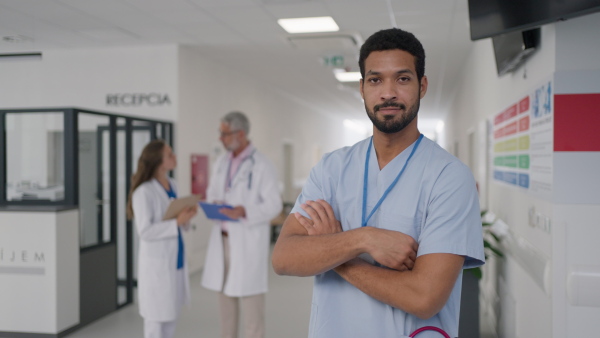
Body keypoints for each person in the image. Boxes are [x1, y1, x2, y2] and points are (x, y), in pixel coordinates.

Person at [272, 28, 485, 338]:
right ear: (361, 88)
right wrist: (364, 239)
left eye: (402, 79)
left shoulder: (449, 177)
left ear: (422, 85)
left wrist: (336, 253)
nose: (388, 93)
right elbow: (284, 257)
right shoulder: (332, 168)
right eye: (375, 80)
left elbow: (424, 297)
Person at [201, 111, 282, 338]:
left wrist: (245, 210)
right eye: (221, 133)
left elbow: (274, 205)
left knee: (251, 311)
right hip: (223, 241)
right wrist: (214, 203)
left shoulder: (262, 165)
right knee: (226, 308)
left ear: (241, 134)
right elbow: (213, 191)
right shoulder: (222, 162)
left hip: (247, 242)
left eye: (224, 134)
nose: (221, 138)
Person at [127, 139, 197, 338]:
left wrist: (186, 217)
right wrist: (176, 223)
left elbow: (176, 219)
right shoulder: (143, 192)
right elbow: (145, 231)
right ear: (159, 161)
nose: (175, 157)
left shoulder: (173, 184)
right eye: (170, 155)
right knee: (155, 324)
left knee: (171, 319)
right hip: (157, 266)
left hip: (175, 261)